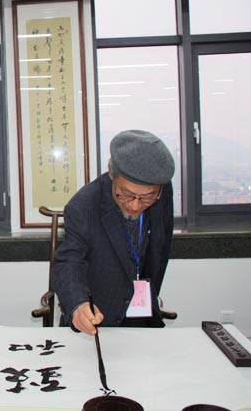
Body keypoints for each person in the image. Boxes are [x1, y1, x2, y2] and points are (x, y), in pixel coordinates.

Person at [53, 129, 175, 335]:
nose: (135, 205)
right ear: (111, 173)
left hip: (142, 316)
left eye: (147, 197)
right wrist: (77, 305)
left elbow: (160, 249)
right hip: (98, 318)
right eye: (125, 194)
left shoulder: (161, 193)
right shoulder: (83, 206)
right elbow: (68, 261)